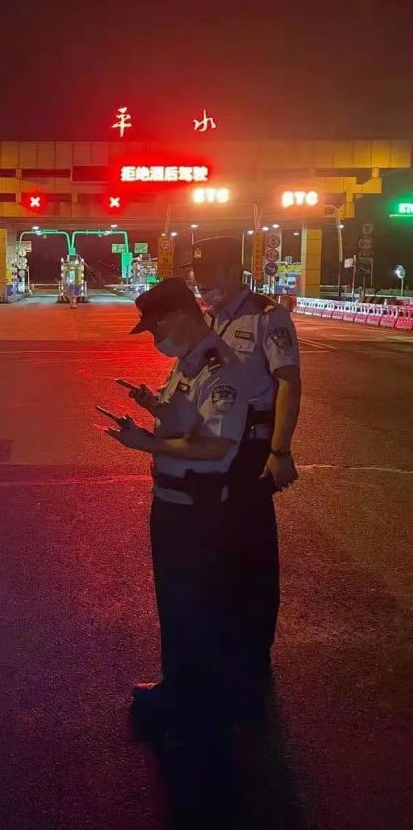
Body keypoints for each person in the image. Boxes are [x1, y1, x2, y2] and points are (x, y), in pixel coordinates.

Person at [104, 277, 252, 729]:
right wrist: (152, 404)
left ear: (181, 317)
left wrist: (145, 445)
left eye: (155, 328)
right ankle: (182, 689)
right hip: (174, 505)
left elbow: (214, 447)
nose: (154, 338)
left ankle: (191, 704)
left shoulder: (221, 368)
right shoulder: (190, 365)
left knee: (191, 604)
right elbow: (185, 419)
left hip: (197, 510)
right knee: (176, 601)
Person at [189, 236, 302, 686]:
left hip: (252, 449)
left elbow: (289, 383)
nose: (203, 282)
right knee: (215, 547)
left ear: (235, 271)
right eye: (197, 274)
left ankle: (254, 654)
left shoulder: (267, 316)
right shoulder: (211, 319)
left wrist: (280, 451)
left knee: (252, 553)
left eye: (211, 273)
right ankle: (222, 640)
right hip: (215, 446)